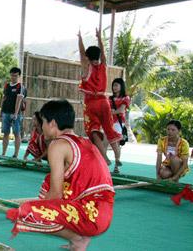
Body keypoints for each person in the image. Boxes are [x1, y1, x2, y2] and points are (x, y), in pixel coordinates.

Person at [7, 100, 114, 251]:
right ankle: (81, 237)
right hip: (102, 214)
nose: (41, 127)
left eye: (43, 122)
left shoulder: (57, 145)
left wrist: (34, 209)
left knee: (27, 212)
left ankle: (77, 239)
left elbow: (56, 194)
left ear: (52, 123)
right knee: (49, 181)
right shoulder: (84, 141)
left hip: (91, 217)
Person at [78, 28, 121, 168]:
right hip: (104, 102)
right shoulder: (103, 66)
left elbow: (81, 53)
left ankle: (105, 157)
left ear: (88, 58)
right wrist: (99, 38)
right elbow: (103, 53)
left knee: (93, 130)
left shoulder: (86, 66)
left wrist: (80, 39)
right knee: (110, 130)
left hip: (91, 103)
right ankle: (117, 158)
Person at [0, 67, 27, 158]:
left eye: (15, 76)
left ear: (19, 76)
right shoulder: (6, 86)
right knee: (5, 133)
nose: (13, 77)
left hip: (16, 115)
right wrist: (0, 113)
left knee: (16, 133)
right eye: (11, 75)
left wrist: (15, 113)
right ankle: (3, 153)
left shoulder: (21, 87)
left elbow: (19, 100)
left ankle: (16, 154)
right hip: (5, 113)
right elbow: (4, 99)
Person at [107, 78, 130, 173]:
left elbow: (121, 110)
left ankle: (116, 165)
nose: (114, 87)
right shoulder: (109, 98)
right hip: (109, 122)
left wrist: (112, 112)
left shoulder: (126, 98)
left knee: (115, 143)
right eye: (113, 85)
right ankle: (115, 161)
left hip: (118, 123)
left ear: (121, 86)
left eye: (116, 85)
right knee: (111, 142)